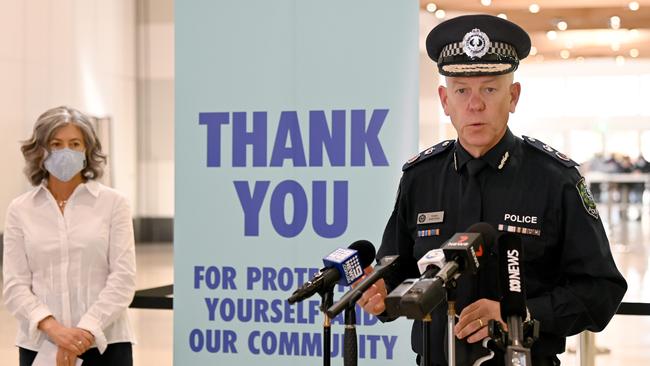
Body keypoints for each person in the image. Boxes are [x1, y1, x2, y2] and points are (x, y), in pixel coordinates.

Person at [354, 15, 627, 366]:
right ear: (444, 100)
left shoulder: (555, 179)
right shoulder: (420, 178)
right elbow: (397, 268)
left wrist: (518, 314)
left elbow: (601, 291)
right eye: (462, 90)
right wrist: (380, 292)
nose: (475, 104)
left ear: (513, 96)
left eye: (490, 88)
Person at [2, 106, 136, 366]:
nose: (66, 152)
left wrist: (85, 331)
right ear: (40, 150)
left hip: (105, 343)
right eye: (56, 143)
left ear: (87, 151)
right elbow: (15, 285)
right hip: (41, 345)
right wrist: (55, 330)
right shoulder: (20, 209)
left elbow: (123, 278)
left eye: (75, 144)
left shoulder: (113, 204)